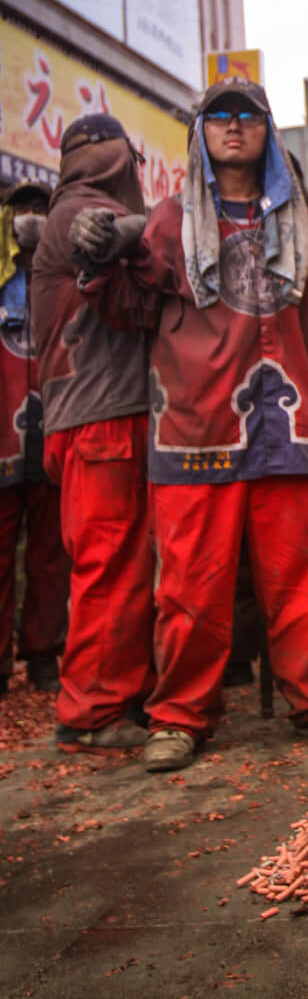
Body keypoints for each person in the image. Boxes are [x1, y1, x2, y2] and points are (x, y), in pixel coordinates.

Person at [71, 78, 308, 772]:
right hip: (194, 429)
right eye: (219, 117)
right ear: (200, 134)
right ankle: (179, 716)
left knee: (299, 574)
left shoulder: (295, 221)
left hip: (283, 425)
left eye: (248, 116)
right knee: (189, 586)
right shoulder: (170, 222)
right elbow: (126, 306)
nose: (234, 126)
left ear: (267, 132)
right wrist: (93, 262)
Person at [32, 116, 154, 750]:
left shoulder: (63, 212)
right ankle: (92, 712)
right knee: (112, 564)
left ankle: (111, 697)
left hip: (83, 417)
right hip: (103, 416)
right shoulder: (83, 216)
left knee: (112, 562)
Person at [0, 183, 70, 695]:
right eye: (19, 209)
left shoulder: (65, 278)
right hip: (2, 434)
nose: (28, 219)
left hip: (54, 432)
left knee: (49, 555)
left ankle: (44, 653)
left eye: (38, 210)